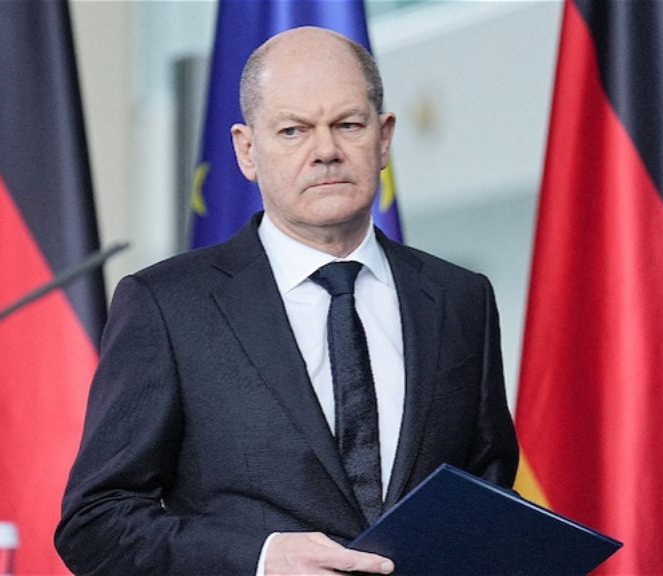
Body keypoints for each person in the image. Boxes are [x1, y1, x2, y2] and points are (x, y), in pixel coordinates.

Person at [55, 26, 519, 576]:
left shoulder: (460, 298)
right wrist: (259, 558)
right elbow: (95, 524)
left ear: (384, 137)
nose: (326, 152)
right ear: (247, 150)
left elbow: (486, 493)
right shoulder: (168, 305)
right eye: (293, 130)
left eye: (348, 124)